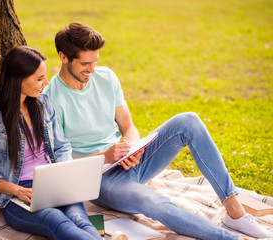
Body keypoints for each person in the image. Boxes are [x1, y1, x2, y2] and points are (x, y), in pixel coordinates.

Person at [43, 22, 273, 240]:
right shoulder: (50, 100)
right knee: (154, 201)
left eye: (95, 62)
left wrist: (131, 148)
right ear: (63, 57)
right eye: (85, 64)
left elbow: (128, 126)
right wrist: (106, 156)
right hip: (100, 180)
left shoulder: (106, 77)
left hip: (130, 160)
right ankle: (233, 238)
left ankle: (236, 214)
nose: (92, 70)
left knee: (188, 120)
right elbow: (61, 164)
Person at [0, 46, 102, 240]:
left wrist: (66, 175)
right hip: (18, 196)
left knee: (81, 221)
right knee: (59, 222)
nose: (46, 82)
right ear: (18, 79)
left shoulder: (43, 104)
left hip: (55, 184)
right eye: (39, 78)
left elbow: (61, 146)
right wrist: (18, 190)